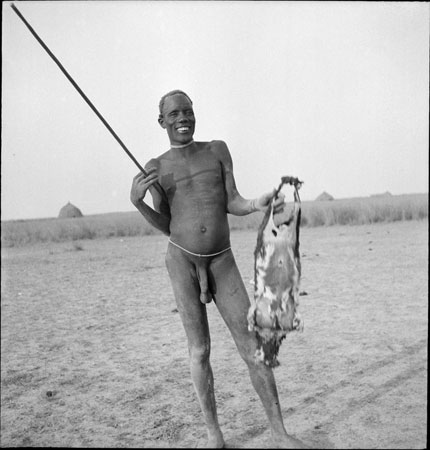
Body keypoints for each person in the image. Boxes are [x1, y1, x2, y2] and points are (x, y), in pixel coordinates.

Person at [130, 90, 306, 449]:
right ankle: (214, 435)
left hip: (222, 259)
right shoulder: (155, 166)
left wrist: (255, 204)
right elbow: (167, 223)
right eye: (175, 113)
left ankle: (279, 433)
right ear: (161, 121)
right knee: (199, 350)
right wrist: (138, 203)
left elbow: (232, 201)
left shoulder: (217, 150)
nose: (184, 118)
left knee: (252, 344)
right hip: (181, 259)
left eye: (189, 111)